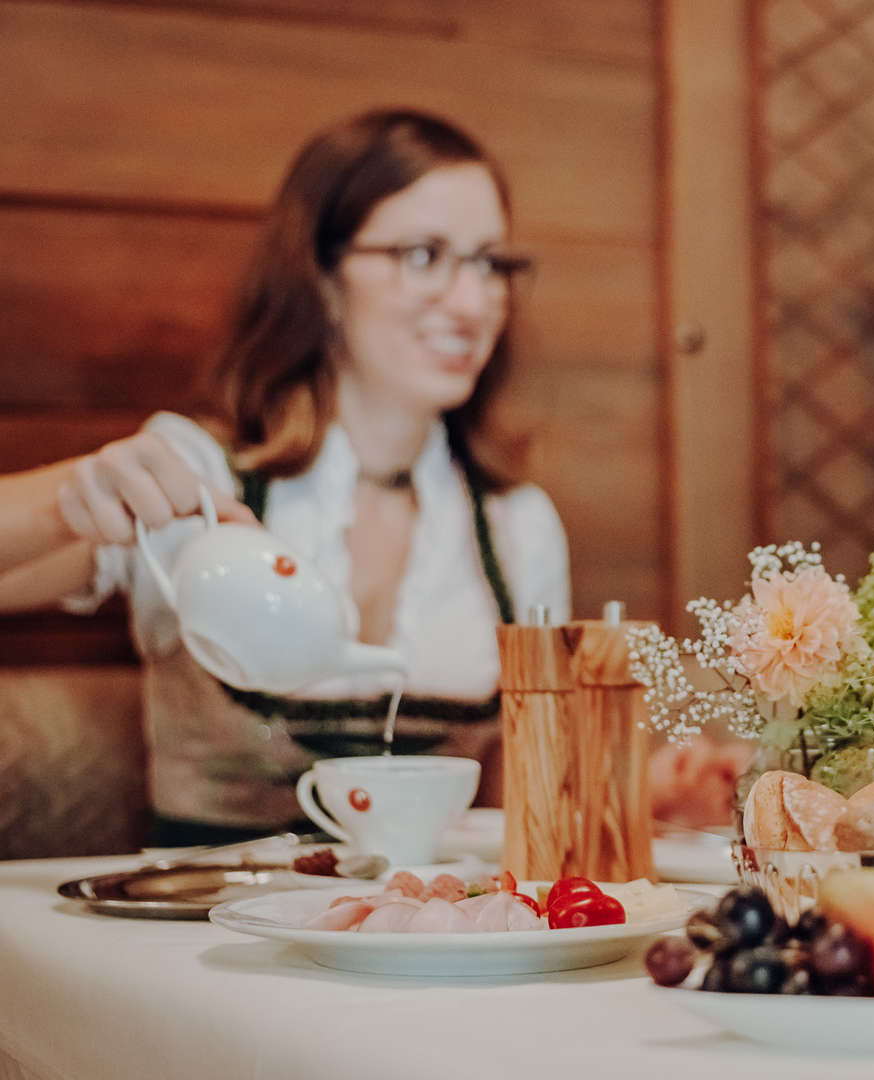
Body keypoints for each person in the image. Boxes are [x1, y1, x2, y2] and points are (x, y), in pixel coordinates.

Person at [0, 109, 570, 845]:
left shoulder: (519, 524)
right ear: (322, 277)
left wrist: (638, 789)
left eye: (491, 264)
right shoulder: (200, 477)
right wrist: (68, 499)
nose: (471, 303)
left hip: (423, 940)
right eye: (424, 255)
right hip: (197, 941)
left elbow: (511, 802)